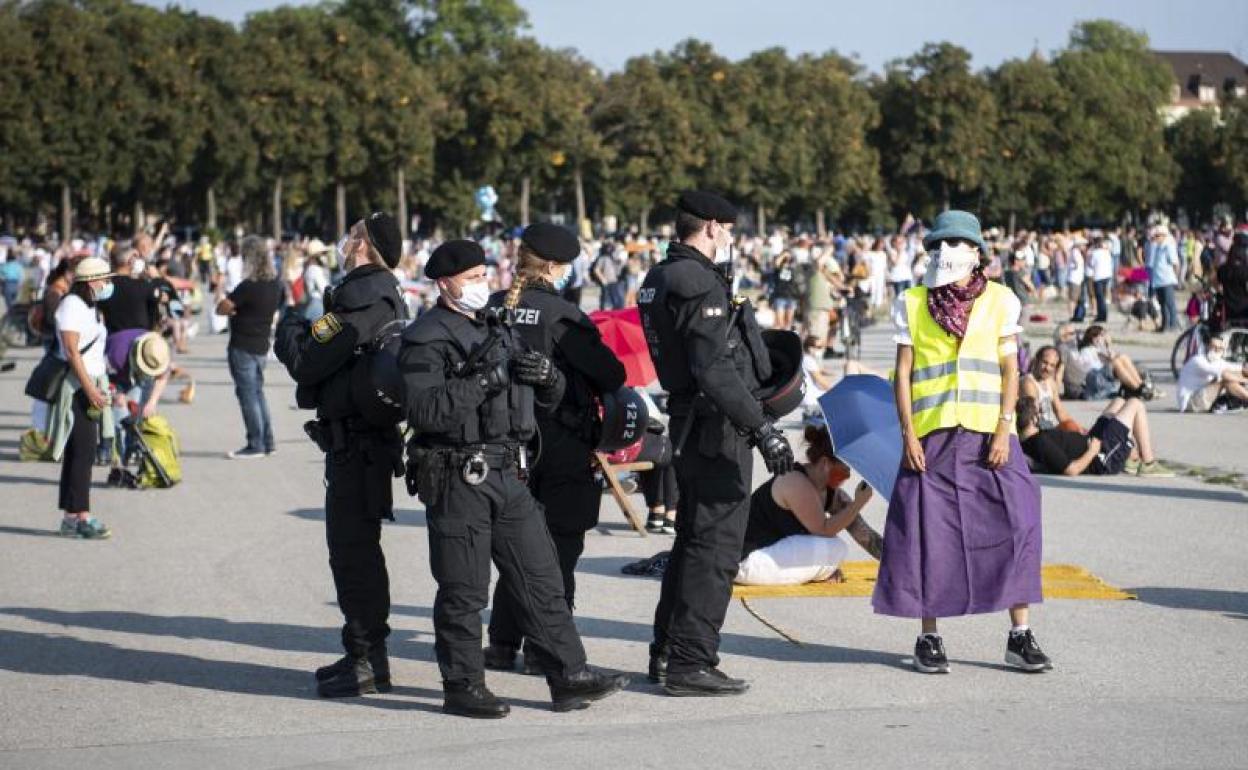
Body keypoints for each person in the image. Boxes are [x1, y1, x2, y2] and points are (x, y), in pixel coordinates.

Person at [400, 239, 627, 719]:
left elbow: (541, 399)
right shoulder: (427, 336)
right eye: (471, 278)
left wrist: (547, 377)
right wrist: (486, 380)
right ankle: (462, 684)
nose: (482, 285)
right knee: (464, 588)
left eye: (485, 275)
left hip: (507, 469)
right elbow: (424, 409)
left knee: (541, 574)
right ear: (444, 284)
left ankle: (569, 674)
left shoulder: (497, 327)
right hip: (457, 472)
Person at [874, 210, 1051, 675]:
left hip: (990, 435)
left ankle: (1019, 634)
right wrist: (908, 432)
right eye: (940, 242)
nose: (947, 250)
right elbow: (904, 373)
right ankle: (928, 636)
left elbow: (1012, 370)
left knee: (1018, 523)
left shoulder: (1001, 300)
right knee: (927, 535)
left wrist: (1004, 425)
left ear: (977, 254)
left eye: (958, 242)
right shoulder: (912, 302)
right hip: (931, 438)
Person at [638, 190, 794, 696]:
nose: (730, 237)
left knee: (691, 544)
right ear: (709, 226)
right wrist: (763, 428)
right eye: (727, 229)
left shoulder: (660, 276)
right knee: (717, 551)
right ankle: (690, 661)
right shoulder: (698, 281)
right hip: (716, 429)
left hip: (691, 424)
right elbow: (714, 369)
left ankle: (667, 653)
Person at [482, 223, 627, 675]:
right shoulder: (561, 316)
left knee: (514, 547)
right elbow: (611, 374)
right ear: (552, 266)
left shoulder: (492, 308)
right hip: (559, 443)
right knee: (559, 549)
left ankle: (503, 644)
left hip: (505, 445)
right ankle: (549, 648)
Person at [274, 212, 408, 699]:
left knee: (353, 554)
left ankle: (367, 659)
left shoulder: (359, 298)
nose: (344, 240)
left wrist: (289, 324)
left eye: (353, 235)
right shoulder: (381, 293)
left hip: (356, 444)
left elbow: (309, 357)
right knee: (357, 552)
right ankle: (366, 655)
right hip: (365, 441)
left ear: (366, 247)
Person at [736, 424, 882, 586]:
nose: (848, 475)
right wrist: (858, 503)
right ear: (826, 463)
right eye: (845, 468)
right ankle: (820, 573)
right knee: (835, 547)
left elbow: (864, 535)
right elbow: (824, 529)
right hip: (748, 561)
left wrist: (896, 563)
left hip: (771, 554)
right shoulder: (794, 481)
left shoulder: (832, 493)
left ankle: (819, 572)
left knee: (836, 549)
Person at [50, 257, 115, 540]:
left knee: (80, 452)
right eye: (104, 280)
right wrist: (89, 389)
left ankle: (70, 516)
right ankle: (81, 516)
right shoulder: (71, 306)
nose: (107, 285)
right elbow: (71, 351)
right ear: (90, 282)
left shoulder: (88, 306)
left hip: (91, 382)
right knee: (83, 452)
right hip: (78, 386)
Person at [217, 236, 284, 459]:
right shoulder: (275, 284)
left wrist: (232, 309)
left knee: (248, 395)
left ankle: (255, 443)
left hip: (242, 344)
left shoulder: (248, 286)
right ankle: (268, 441)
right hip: (261, 344)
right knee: (258, 393)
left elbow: (222, 308)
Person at [1018, 396, 1173, 477]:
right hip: (1100, 458)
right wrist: (1092, 451)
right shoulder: (1040, 442)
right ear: (1034, 419)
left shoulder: (1031, 440)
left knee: (1118, 402)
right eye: (1040, 411)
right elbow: (1071, 470)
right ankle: (1148, 463)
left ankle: (1130, 459)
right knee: (1135, 404)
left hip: (1093, 442)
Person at [1177, 331, 1248, 413]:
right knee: (1225, 380)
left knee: (1236, 374)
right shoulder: (1198, 360)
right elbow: (1225, 375)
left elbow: (1240, 368)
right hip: (1190, 403)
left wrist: (1244, 370)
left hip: (1202, 398)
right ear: (1207, 346)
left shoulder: (1218, 361)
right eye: (1213, 347)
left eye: (1219, 348)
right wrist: (1245, 380)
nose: (1216, 350)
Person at [1075, 325, 1152, 400]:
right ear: (1094, 338)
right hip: (1094, 379)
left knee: (1123, 357)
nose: (1104, 338)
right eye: (1102, 336)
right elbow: (1094, 368)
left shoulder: (1096, 350)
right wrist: (1108, 348)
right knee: (1116, 361)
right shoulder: (1086, 351)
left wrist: (1108, 347)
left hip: (1098, 376)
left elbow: (1111, 358)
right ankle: (1138, 389)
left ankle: (1141, 385)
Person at [96, 245, 156, 335]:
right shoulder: (143, 286)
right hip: (140, 339)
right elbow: (153, 313)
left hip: (114, 340)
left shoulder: (103, 286)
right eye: (136, 257)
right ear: (130, 261)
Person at [1021, 346, 1082, 433]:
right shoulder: (1028, 382)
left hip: (1048, 429)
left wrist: (1078, 428)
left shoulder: (1050, 382)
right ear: (1036, 360)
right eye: (1045, 363)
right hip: (1035, 432)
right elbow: (1034, 416)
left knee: (1079, 435)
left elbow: (1060, 411)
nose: (1047, 368)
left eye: (1052, 365)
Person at [1146, 225, 1181, 332]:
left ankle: (1173, 324)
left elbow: (1175, 263)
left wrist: (1175, 277)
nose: (1156, 238)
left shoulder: (1168, 246)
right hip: (1158, 280)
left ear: (1164, 235)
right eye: (1155, 236)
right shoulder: (1157, 247)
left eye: (1158, 235)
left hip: (1167, 280)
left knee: (1170, 303)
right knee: (1162, 304)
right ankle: (1165, 324)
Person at [1213, 232, 1248, 324]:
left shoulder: (1223, 269)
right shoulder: (1245, 271)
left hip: (1227, 309)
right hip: (1244, 310)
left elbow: (1215, 283)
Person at [768, 251, 800, 330]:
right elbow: (776, 263)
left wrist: (790, 257)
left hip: (791, 296)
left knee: (788, 323)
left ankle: (786, 339)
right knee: (780, 322)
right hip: (780, 296)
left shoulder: (793, 268)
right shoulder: (778, 268)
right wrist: (783, 255)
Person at [1086, 238, 1114, 323]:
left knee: (1099, 297)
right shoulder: (1107, 252)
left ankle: (1101, 316)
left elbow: (1091, 264)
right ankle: (1104, 314)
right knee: (1104, 296)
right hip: (1107, 276)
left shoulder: (1094, 253)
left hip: (1098, 276)